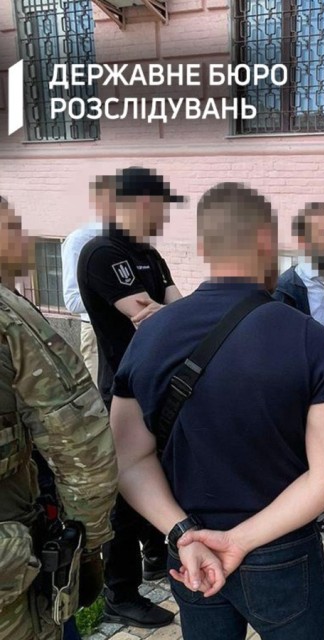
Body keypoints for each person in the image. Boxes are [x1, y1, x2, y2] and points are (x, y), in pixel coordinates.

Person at [109, 182, 324, 640]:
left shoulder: (149, 337)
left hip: (190, 551)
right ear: (267, 242)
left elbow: (128, 460)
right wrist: (238, 541)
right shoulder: (309, 339)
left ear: (203, 247)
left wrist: (181, 532)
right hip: (280, 551)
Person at [0, 197, 118, 640]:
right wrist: (86, 543)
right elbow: (79, 442)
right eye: (14, 228)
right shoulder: (11, 317)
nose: (26, 240)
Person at [77, 166, 184, 628]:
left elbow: (176, 310)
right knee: (125, 490)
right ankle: (120, 592)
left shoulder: (149, 254)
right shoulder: (103, 253)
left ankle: (157, 556)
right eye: (159, 207)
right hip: (123, 392)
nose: (163, 217)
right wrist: (169, 314)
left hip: (157, 388)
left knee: (158, 472)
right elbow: (148, 318)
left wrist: (172, 314)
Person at [274, 201, 324, 539]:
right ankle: (292, 519)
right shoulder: (288, 287)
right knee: (295, 456)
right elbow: (277, 348)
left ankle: (319, 514)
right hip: (297, 388)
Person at [61, 175, 116, 385]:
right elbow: (72, 300)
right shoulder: (80, 240)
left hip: (129, 331)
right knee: (102, 397)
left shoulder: (133, 241)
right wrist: (118, 300)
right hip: (96, 331)